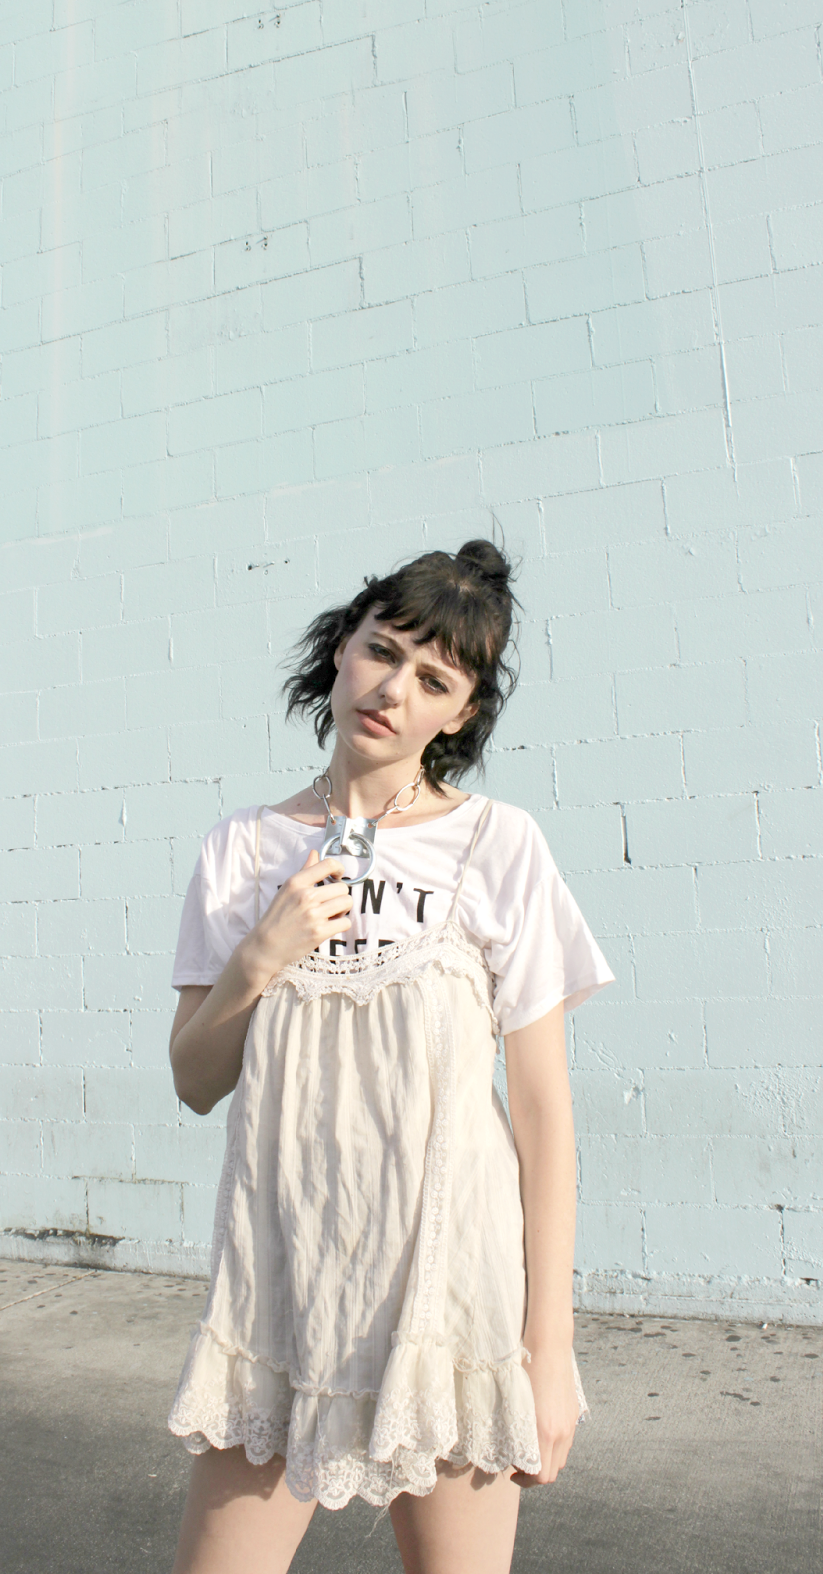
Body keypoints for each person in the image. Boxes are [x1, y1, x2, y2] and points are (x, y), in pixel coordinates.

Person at [166, 540, 614, 1574]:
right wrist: (262, 954)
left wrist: (549, 1350)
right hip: (281, 1292)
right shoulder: (243, 849)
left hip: (452, 1304)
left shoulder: (498, 845)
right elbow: (195, 1081)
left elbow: (543, 1115)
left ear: (458, 714)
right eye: (383, 651)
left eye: (434, 680)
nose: (394, 690)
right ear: (341, 650)